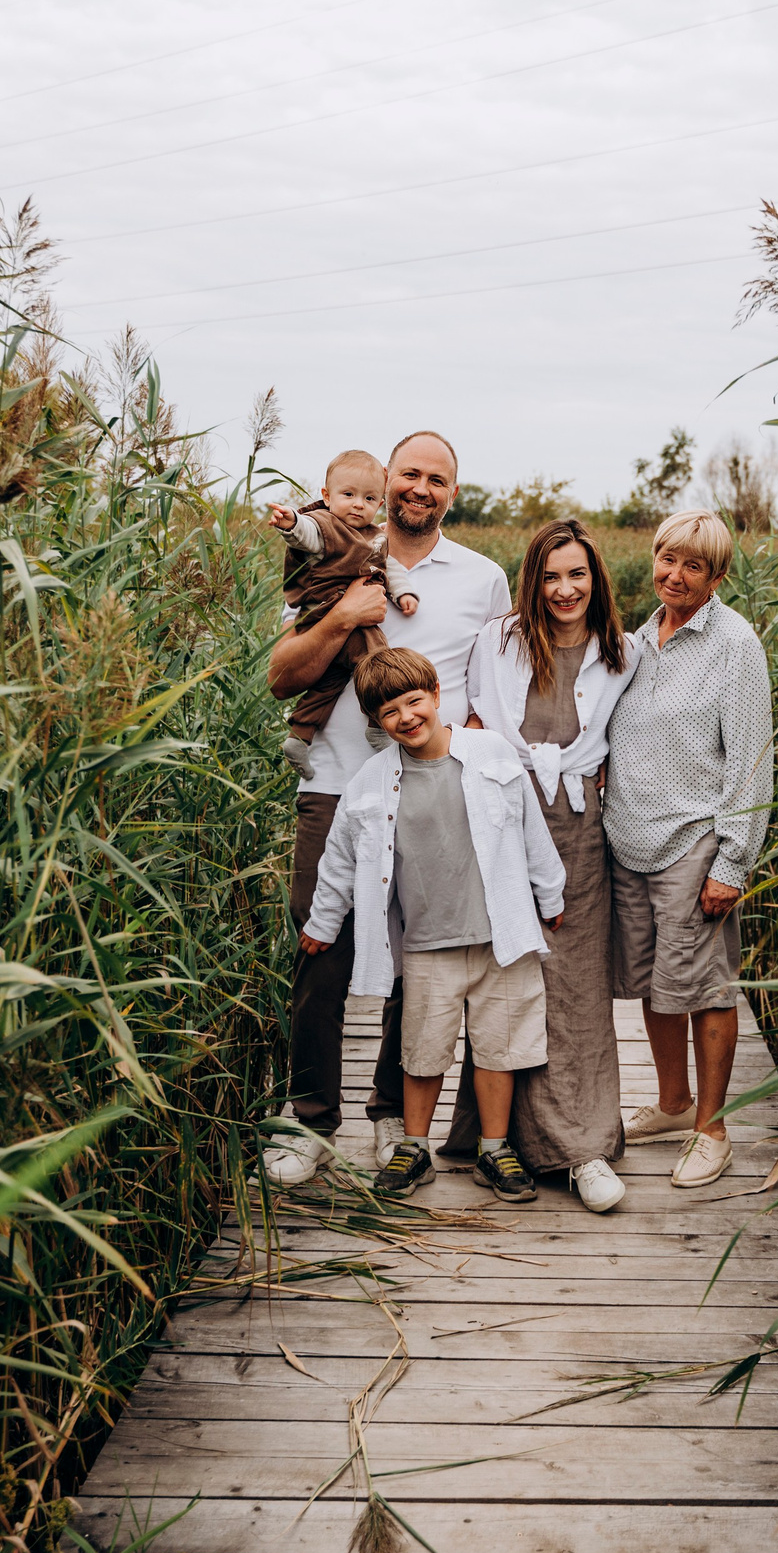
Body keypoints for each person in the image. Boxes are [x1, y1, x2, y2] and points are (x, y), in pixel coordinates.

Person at [265, 432, 508, 1185]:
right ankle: (309, 1118)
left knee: (420, 963)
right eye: (410, 473)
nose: (420, 488)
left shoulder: (481, 578)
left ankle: (390, 1117)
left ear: (452, 493)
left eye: (438, 479)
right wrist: (343, 616)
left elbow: (494, 694)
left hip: (432, 792)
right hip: (334, 785)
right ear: (386, 480)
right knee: (319, 949)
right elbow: (281, 675)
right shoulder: (331, 553)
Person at [300, 648, 567, 1200]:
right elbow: (340, 860)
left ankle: (494, 1149)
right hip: (426, 943)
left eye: (413, 701)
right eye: (389, 711)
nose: (405, 717)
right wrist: (323, 923)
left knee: (500, 1048)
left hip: (502, 939)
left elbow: (530, 830)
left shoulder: (489, 753)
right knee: (422, 1052)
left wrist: (550, 893)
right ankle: (413, 1148)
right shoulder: (372, 784)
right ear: (376, 722)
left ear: (436, 694)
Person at [462, 518, 642, 1213]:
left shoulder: (620, 652)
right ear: (532, 578)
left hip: (577, 825)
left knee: (574, 984)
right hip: (506, 819)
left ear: (596, 578)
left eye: (578, 574)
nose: (565, 589)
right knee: (511, 975)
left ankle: (583, 1146)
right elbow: (474, 730)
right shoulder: (497, 643)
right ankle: (505, 1139)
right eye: (551, 574)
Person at [604, 510, 774, 1189]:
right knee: (652, 979)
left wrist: (733, 861)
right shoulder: (641, 638)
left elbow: (752, 761)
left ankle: (712, 1128)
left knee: (706, 987)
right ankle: (673, 1103)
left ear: (717, 575)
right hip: (630, 840)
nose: (674, 574)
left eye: (692, 565)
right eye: (667, 558)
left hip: (694, 844)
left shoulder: (734, 645)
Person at [266, 448, 419, 775]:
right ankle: (378, 722)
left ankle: (300, 735)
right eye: (348, 494)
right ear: (326, 495)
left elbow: (389, 567)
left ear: (380, 504)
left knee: (331, 681)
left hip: (337, 632)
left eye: (368, 498)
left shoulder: (376, 537)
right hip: (325, 611)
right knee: (377, 659)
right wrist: (290, 522)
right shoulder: (326, 524)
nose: (357, 504)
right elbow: (306, 535)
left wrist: (403, 592)